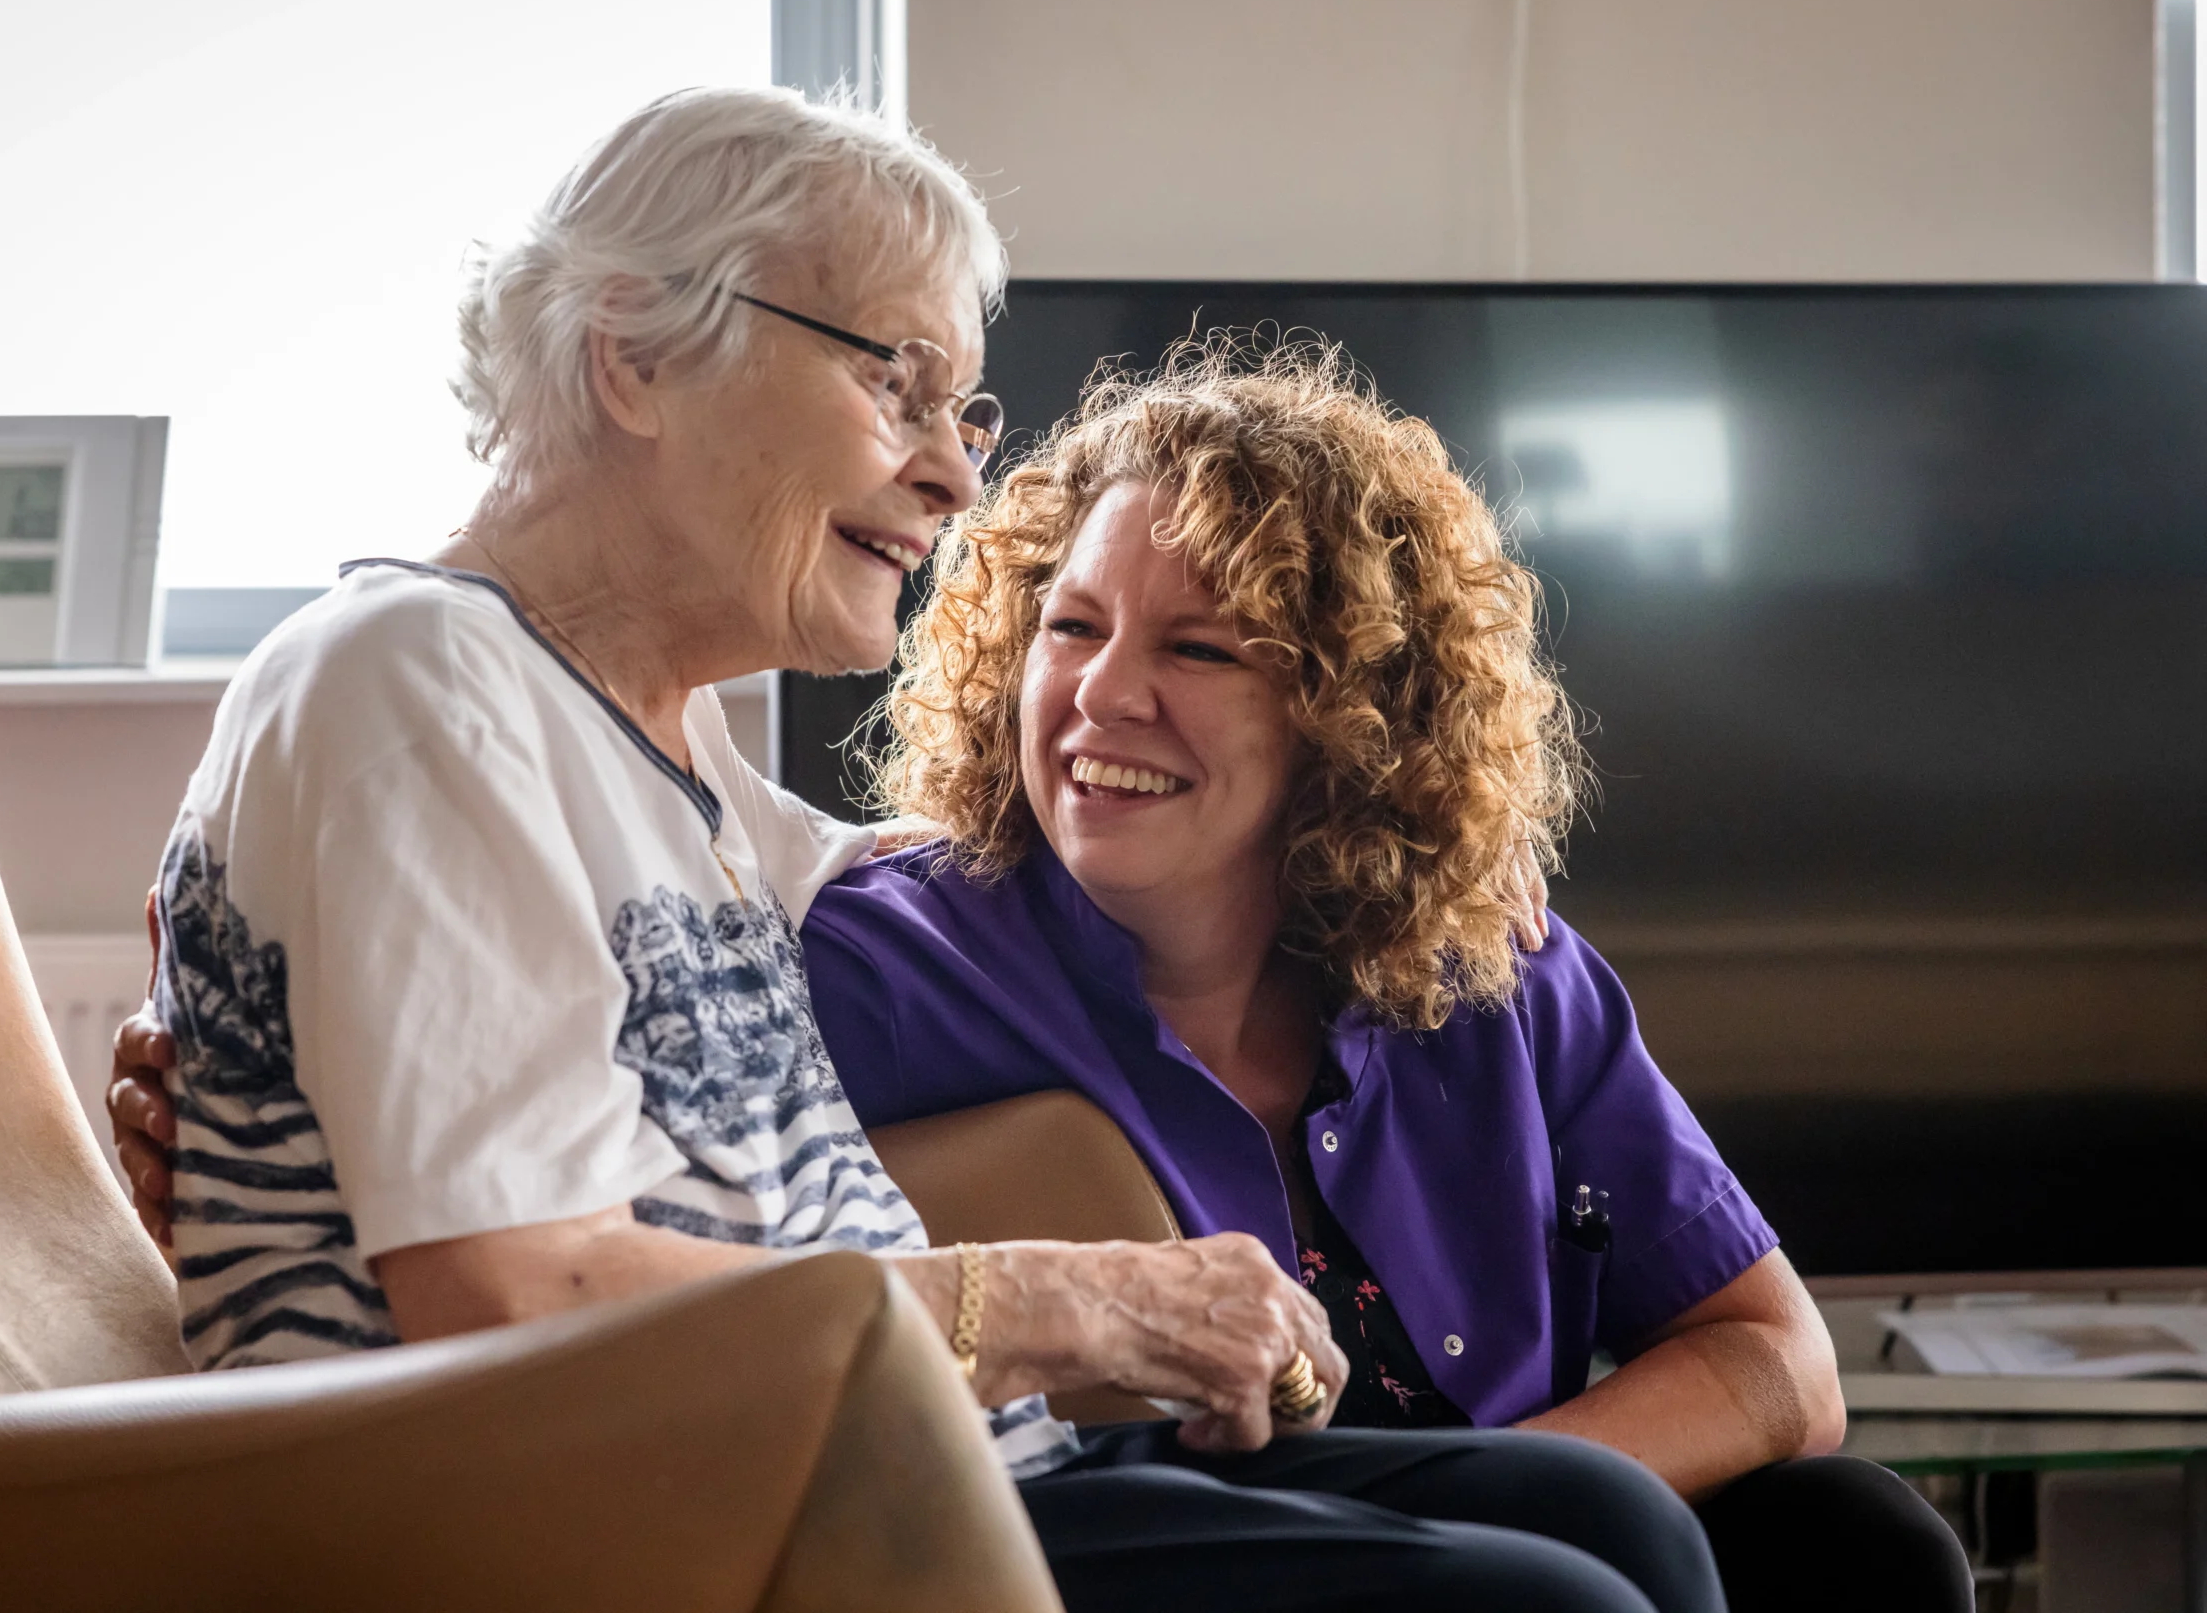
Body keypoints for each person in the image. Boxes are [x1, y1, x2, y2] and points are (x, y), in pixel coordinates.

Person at [110, 83, 1733, 1613]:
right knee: (1560, 1594)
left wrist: (1390, 841)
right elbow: (516, 1307)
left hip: (873, 1477)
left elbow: (892, 863)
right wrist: (1079, 1296)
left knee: (1622, 1517)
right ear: (633, 356)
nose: (959, 472)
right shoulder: (414, 679)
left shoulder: (658, 749)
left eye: (963, 406)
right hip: (670, 1533)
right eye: (894, 381)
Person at [799, 343, 1974, 1613]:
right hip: (1141, 1564)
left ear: (1353, 711)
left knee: (1860, 1540)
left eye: (1199, 649)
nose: (1102, 693)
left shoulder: (1492, 971)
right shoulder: (883, 970)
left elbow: (1782, 1363)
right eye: (1071, 626)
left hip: (1499, 1542)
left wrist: (1506, 1504)